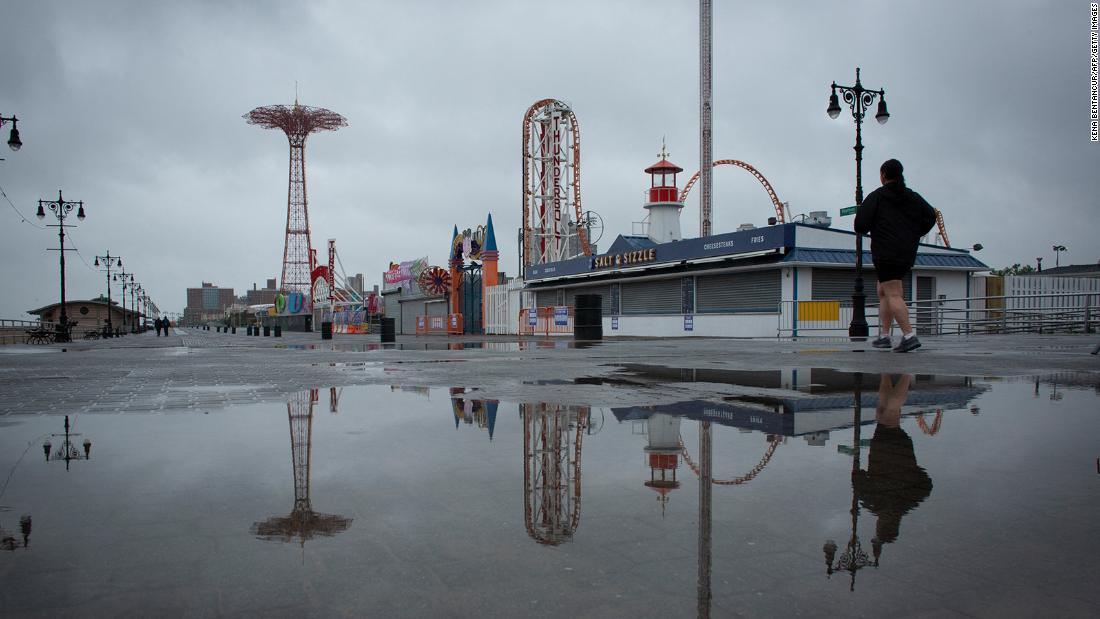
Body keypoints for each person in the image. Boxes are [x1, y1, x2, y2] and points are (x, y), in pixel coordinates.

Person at [854, 159, 937, 352]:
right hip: (906, 251)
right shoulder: (912, 197)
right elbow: (930, 216)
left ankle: (909, 335)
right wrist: (915, 232)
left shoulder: (878, 196)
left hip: (885, 251)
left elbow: (860, 225)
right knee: (883, 290)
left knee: (892, 293)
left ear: (883, 175)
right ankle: (884, 336)